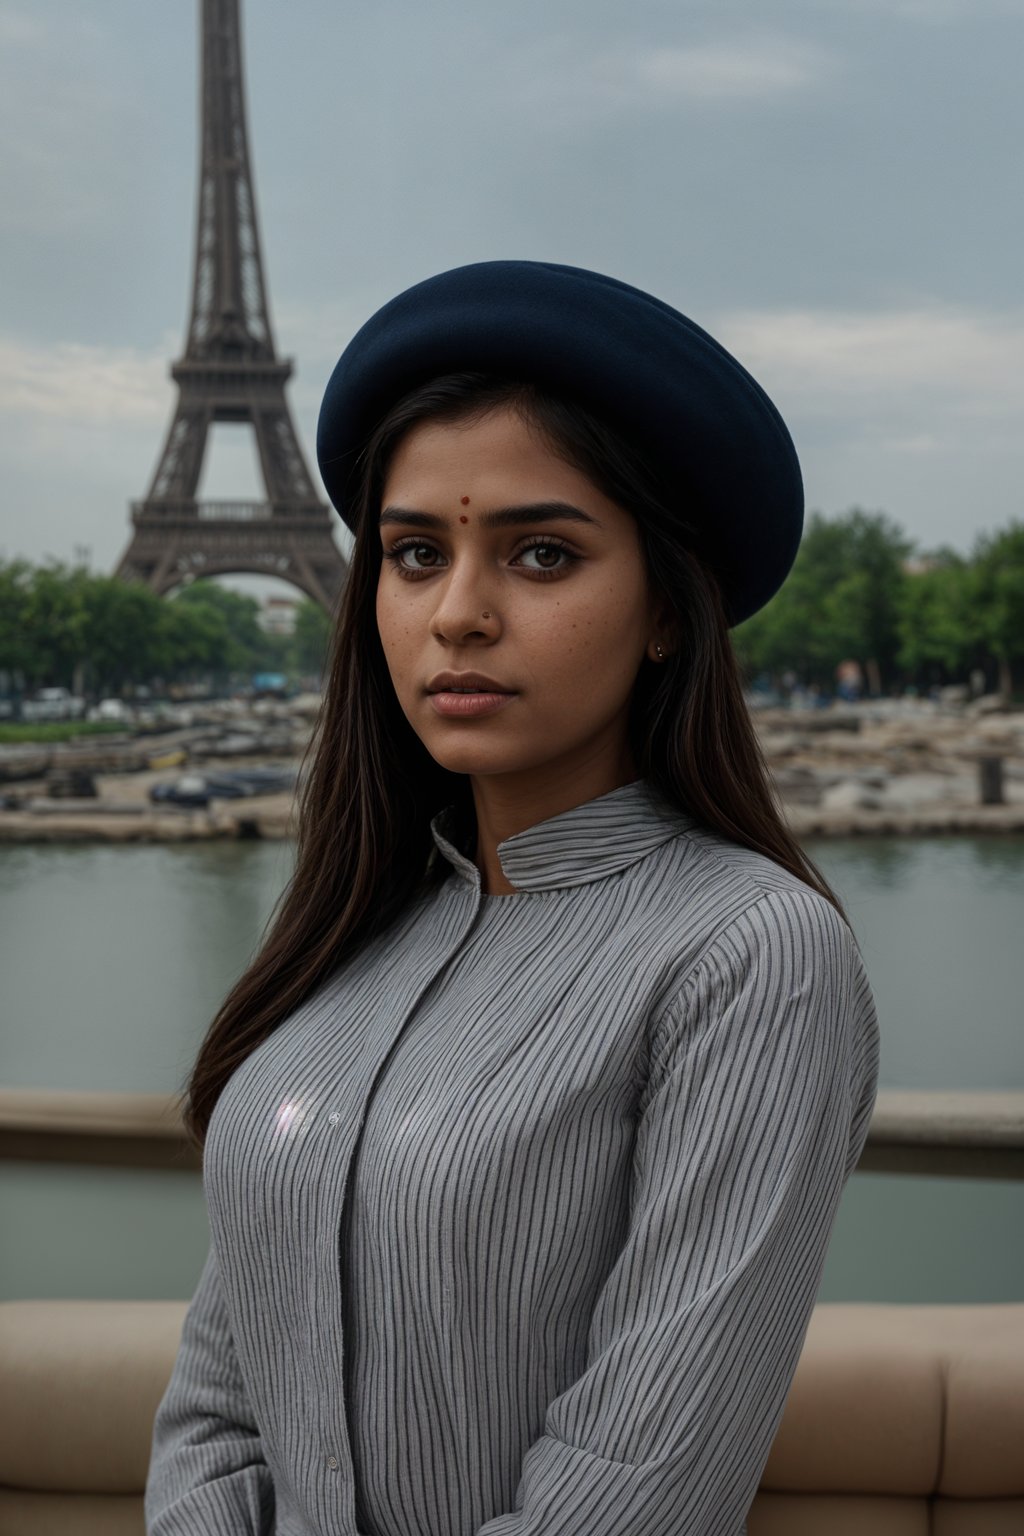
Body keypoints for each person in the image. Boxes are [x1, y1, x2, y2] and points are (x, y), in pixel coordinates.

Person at [145, 260, 880, 1536]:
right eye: (415, 554)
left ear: (665, 608)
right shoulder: (352, 933)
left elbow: (635, 1482)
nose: (458, 615)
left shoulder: (750, 956)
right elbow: (217, 1404)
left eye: (541, 554)